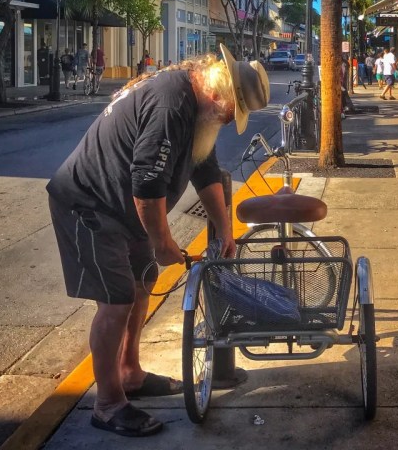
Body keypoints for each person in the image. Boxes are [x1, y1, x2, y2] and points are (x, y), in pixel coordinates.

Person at [46, 46, 270, 437]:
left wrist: (225, 228)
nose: (227, 119)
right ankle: (108, 403)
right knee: (117, 300)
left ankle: (130, 372)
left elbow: (206, 171)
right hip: (90, 203)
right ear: (217, 92)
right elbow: (147, 183)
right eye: (231, 111)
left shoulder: (199, 107)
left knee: (143, 283)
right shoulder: (171, 104)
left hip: (123, 208)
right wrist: (163, 243)